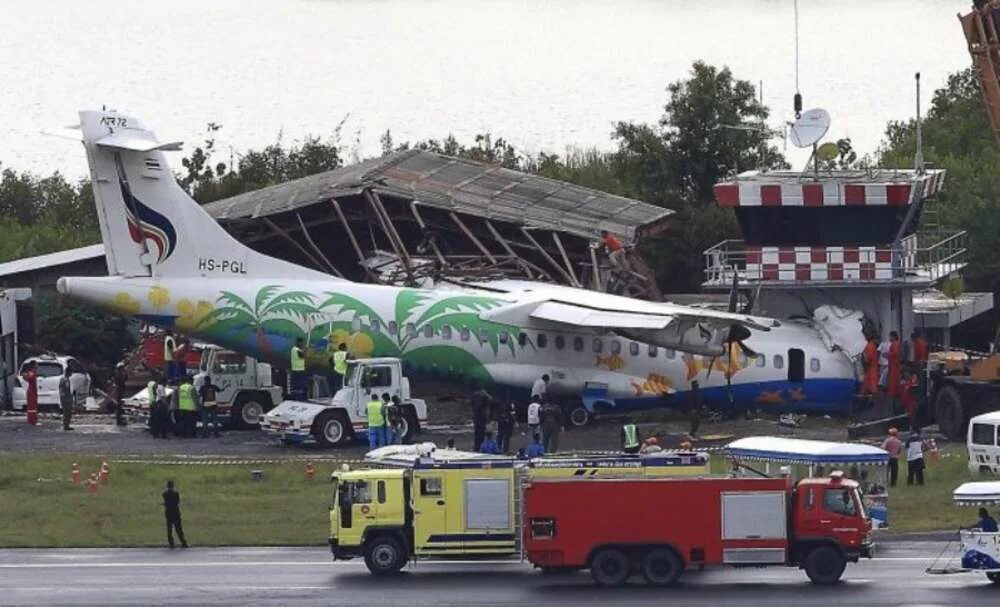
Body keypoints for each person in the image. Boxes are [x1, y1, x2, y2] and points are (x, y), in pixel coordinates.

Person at [162, 480, 188, 549]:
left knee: (169, 529)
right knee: (179, 529)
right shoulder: (176, 493)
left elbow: (166, 503)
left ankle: (171, 544)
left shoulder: (164, 494)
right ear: (173, 486)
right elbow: (177, 502)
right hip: (176, 512)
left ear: (167, 486)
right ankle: (184, 543)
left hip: (168, 513)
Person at [470, 387, 493, 453]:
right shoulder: (484, 396)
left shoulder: (474, 395)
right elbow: (490, 400)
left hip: (475, 417)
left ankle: (476, 447)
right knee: (481, 434)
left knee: (476, 434)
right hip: (482, 417)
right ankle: (480, 448)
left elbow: (471, 403)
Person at [887, 331, 902, 403]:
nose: (889, 338)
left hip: (894, 365)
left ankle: (894, 393)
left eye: (890, 336)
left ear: (893, 336)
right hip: (893, 364)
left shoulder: (896, 344)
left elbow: (896, 353)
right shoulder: (894, 344)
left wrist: (888, 354)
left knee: (894, 379)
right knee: (893, 379)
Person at [112, 361, 128, 426]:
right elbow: (123, 379)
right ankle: (119, 420)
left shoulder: (119, 373)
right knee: (119, 405)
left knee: (120, 405)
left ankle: (119, 419)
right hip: (120, 389)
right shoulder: (119, 373)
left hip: (120, 388)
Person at [58, 367, 74, 431]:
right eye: (71, 372)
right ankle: (65, 425)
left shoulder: (67, 379)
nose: (71, 374)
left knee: (69, 412)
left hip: (67, 397)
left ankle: (67, 425)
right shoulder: (64, 379)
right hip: (65, 398)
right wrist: (64, 397)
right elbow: (62, 389)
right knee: (66, 412)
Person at [23, 360, 38, 426]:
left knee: (33, 406)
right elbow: (27, 377)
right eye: (36, 364)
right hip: (31, 391)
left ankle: (33, 419)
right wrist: (26, 375)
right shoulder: (31, 372)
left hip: (33, 391)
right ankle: (32, 420)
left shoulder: (33, 372)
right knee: (32, 407)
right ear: (33, 365)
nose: (37, 365)